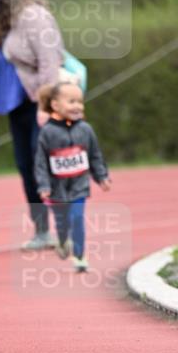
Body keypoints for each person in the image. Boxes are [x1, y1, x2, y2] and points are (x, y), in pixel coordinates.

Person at [0, 0, 64, 250]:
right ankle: (41, 230)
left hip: (40, 103)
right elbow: (1, 69)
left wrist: (46, 104)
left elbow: (51, 61)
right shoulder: (6, 25)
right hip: (17, 105)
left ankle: (66, 225)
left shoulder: (35, 18)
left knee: (45, 167)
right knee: (26, 167)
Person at [34, 81, 111, 273]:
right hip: (56, 188)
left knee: (77, 218)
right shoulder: (47, 132)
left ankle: (79, 255)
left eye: (80, 101)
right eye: (71, 101)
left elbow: (95, 155)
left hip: (79, 185)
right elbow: (41, 163)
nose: (77, 106)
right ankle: (62, 240)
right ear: (56, 105)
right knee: (62, 221)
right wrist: (43, 186)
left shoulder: (86, 129)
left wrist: (101, 176)